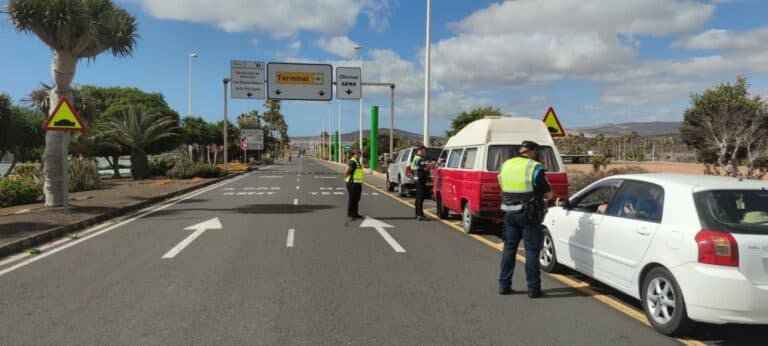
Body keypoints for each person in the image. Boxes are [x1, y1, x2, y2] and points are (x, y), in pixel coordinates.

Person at [497, 140, 552, 298]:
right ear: (532, 152)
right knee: (531, 251)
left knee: (509, 249)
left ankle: (504, 285)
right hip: (529, 215)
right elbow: (548, 193)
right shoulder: (534, 167)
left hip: (509, 213)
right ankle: (533, 289)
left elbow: (501, 183)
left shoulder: (506, 164)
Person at [411, 145, 432, 221]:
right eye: (424, 151)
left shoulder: (416, 158)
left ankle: (417, 214)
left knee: (418, 198)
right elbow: (425, 169)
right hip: (420, 180)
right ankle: (420, 215)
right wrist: (431, 166)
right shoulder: (419, 159)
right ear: (420, 151)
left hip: (417, 180)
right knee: (420, 198)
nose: (425, 153)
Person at [345, 149, 364, 221]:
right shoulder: (352, 162)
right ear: (354, 154)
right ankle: (350, 215)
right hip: (352, 183)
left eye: (360, 153)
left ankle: (355, 214)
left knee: (356, 199)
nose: (360, 155)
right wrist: (347, 180)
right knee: (352, 199)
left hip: (357, 183)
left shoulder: (357, 161)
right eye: (358, 153)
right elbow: (347, 172)